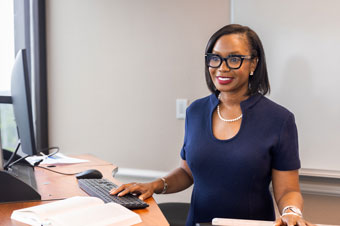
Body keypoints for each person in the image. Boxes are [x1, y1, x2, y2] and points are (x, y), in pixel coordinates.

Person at [110, 24, 315, 226]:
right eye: (215, 58)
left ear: (253, 64)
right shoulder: (195, 111)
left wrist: (291, 212)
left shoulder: (279, 119)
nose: (222, 67)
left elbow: (288, 190)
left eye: (234, 59)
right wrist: (153, 186)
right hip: (197, 222)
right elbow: (187, 172)